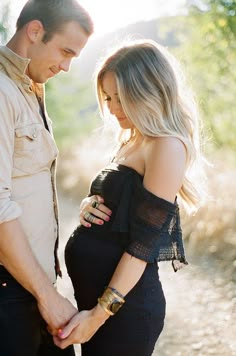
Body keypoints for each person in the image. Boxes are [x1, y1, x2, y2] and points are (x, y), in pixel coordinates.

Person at [53, 39, 205, 355]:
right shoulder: (134, 140)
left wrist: (98, 316)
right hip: (102, 303)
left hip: (126, 311)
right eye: (107, 97)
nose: (111, 107)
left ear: (148, 90)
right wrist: (88, 205)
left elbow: (142, 245)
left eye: (120, 98)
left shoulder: (165, 146)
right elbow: (123, 205)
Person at [0, 0, 93, 355]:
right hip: (10, 295)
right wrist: (47, 296)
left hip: (32, 288)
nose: (67, 67)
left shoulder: (30, 88)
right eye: (65, 51)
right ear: (35, 31)